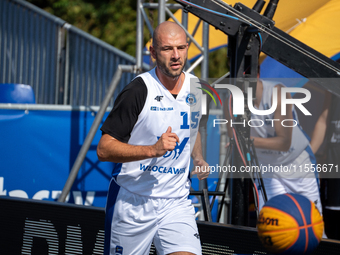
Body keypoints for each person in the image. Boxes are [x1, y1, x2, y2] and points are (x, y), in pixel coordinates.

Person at [97, 21, 209, 255]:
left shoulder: (197, 88)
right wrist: (152, 150)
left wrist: (198, 157)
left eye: (181, 48)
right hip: (132, 202)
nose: (176, 56)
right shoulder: (137, 91)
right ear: (153, 52)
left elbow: (193, 128)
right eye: (168, 49)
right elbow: (104, 149)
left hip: (176, 202)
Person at [224, 77, 323, 214]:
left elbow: (284, 143)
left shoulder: (276, 91)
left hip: (297, 164)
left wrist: (246, 140)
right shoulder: (232, 100)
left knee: (311, 221)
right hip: (266, 168)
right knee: (272, 222)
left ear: (256, 73)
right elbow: (234, 138)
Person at [311, 90, 340, 239]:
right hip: (334, 168)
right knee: (333, 223)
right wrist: (308, 154)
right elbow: (323, 120)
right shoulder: (334, 82)